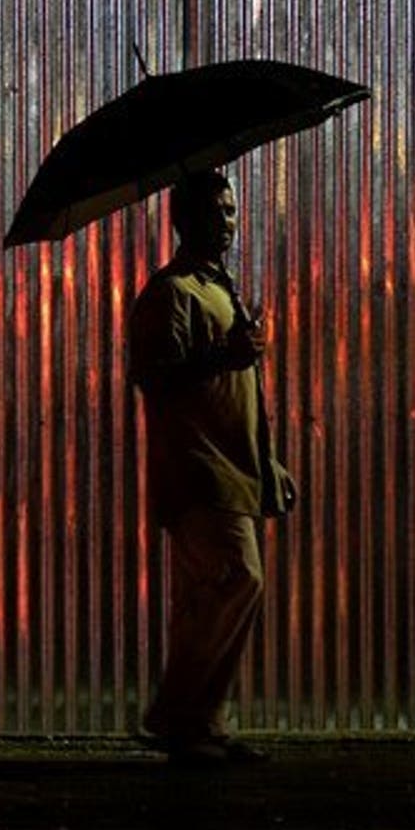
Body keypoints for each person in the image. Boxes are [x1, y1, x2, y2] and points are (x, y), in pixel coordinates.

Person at [128, 169, 295, 765]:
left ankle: (202, 725)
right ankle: (176, 713)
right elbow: (153, 376)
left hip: (234, 469)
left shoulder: (222, 291)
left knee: (216, 593)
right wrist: (224, 352)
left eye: (230, 211)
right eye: (214, 212)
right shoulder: (171, 294)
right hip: (198, 471)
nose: (226, 222)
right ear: (182, 220)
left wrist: (267, 466)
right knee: (237, 577)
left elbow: (240, 396)